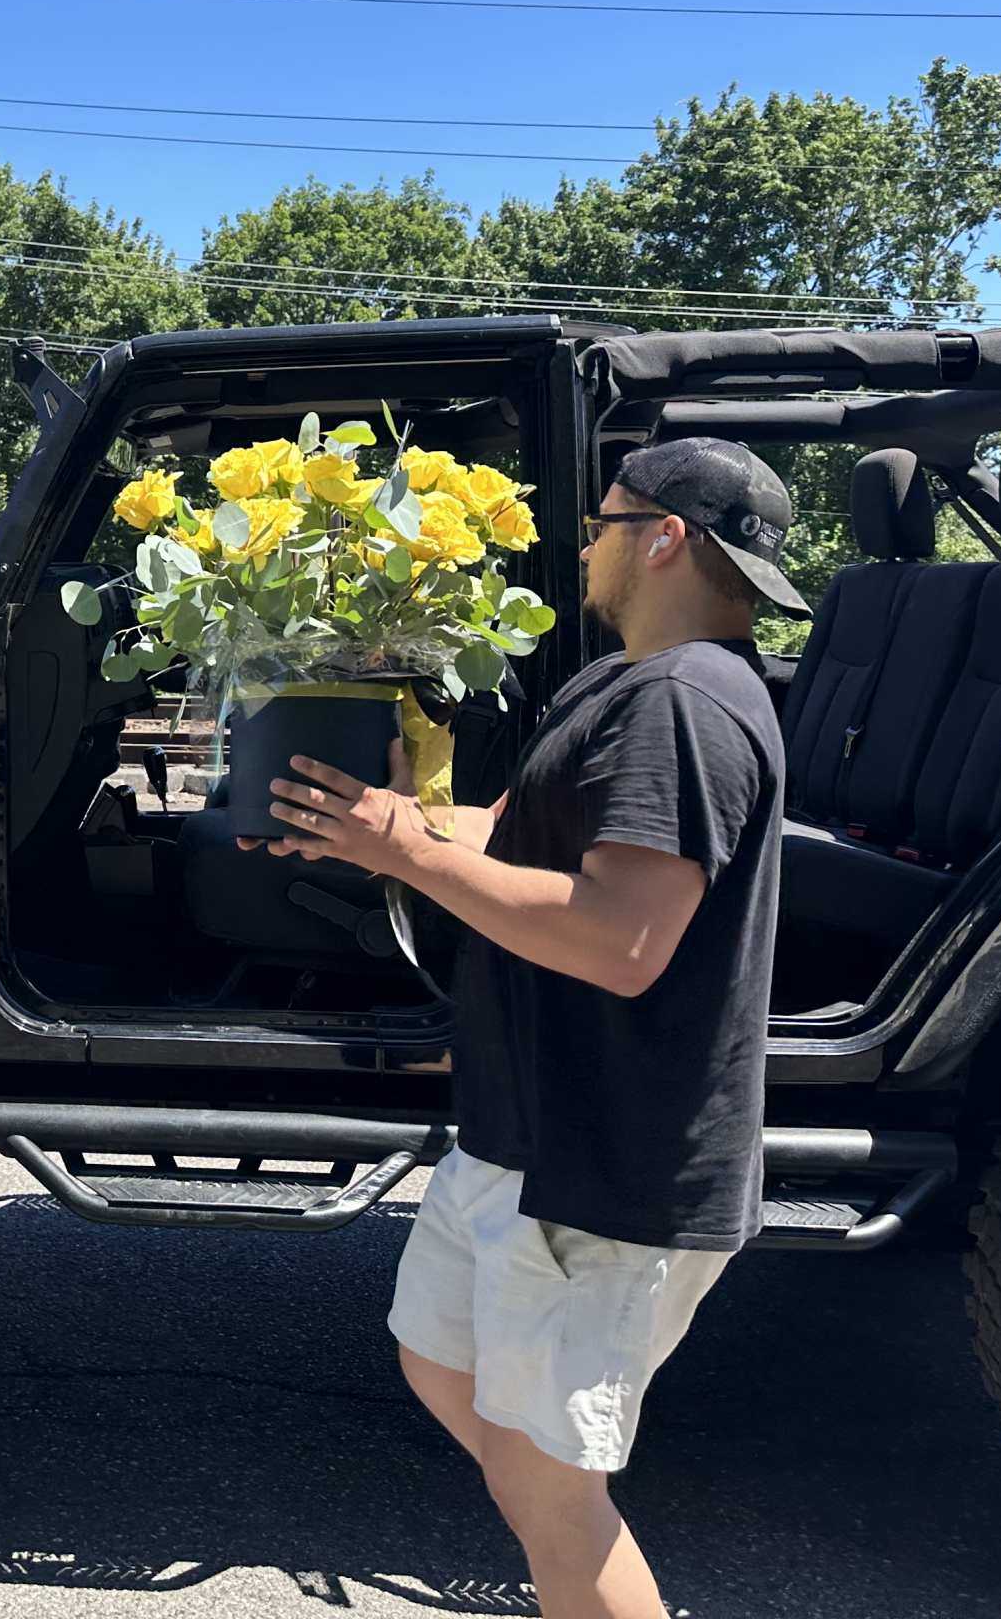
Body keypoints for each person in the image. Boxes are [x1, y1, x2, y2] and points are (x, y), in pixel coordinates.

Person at [250, 438, 808, 1619]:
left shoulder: (685, 703)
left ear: (662, 538)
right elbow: (503, 832)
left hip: (601, 1168)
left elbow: (619, 939)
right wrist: (378, 821)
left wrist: (401, 849)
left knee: (552, 1492)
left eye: (603, 518)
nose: (583, 541)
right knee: (440, 1362)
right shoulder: (622, 681)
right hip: (523, 1135)